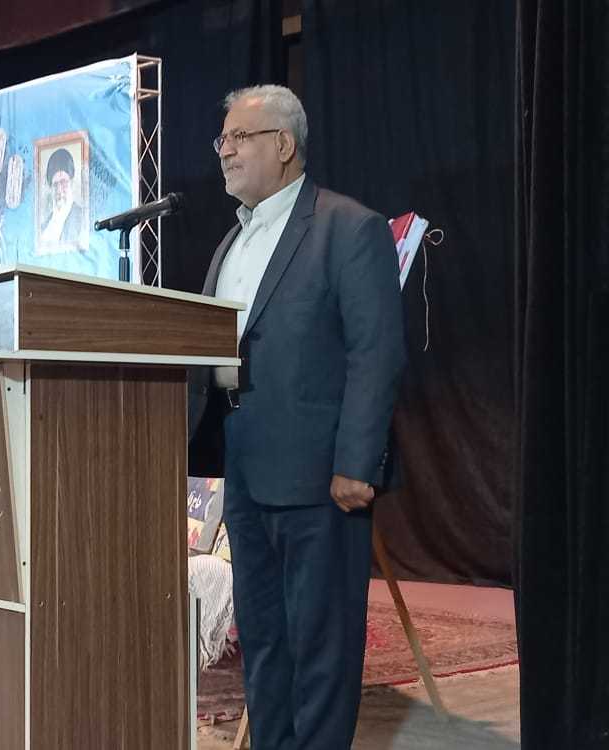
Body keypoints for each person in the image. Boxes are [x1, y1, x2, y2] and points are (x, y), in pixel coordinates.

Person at [188, 85, 406, 749]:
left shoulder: (348, 228)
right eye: (221, 139)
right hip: (244, 472)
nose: (224, 151)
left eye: (238, 137)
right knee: (264, 644)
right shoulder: (232, 240)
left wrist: (357, 463)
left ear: (283, 144)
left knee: (321, 650)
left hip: (320, 480)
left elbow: (375, 352)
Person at [39, 147, 85, 246]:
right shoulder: (43, 227)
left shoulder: (83, 218)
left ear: (71, 183)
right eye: (55, 184)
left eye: (63, 182)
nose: (59, 190)